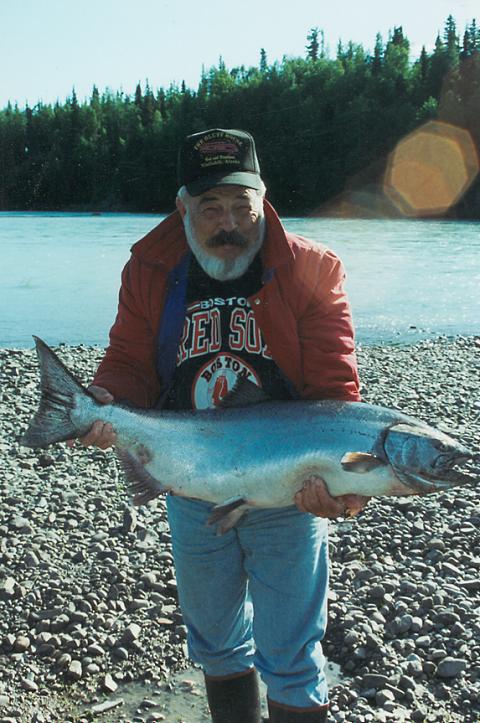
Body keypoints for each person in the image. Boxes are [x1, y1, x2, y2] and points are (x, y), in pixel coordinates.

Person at [80, 128, 368, 722]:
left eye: (243, 205)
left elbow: (336, 395)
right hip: (190, 474)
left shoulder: (312, 268)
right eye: (211, 207)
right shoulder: (150, 268)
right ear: (183, 207)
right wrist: (105, 404)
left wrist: (342, 488)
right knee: (213, 640)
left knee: (291, 653)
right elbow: (129, 362)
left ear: (263, 200)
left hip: (289, 486)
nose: (229, 222)